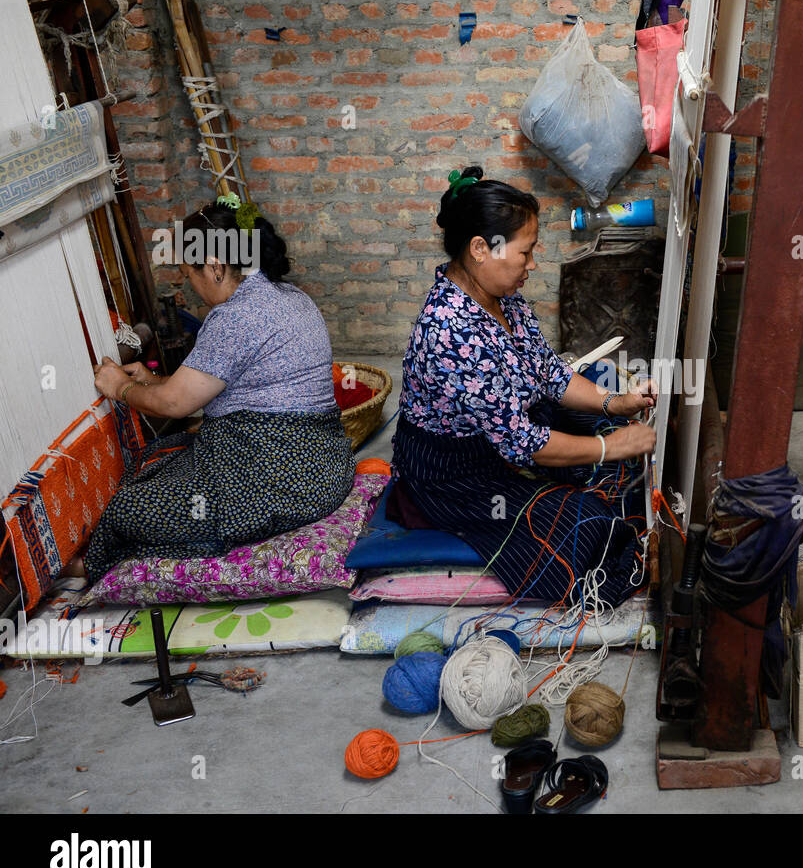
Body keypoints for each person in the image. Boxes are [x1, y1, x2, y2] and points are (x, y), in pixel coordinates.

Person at [391, 166, 656, 607]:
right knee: (587, 525)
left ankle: (590, 455)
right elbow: (522, 442)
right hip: (454, 473)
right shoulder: (450, 331)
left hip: (504, 435)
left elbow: (548, 372)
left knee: (591, 407)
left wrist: (616, 403)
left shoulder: (503, 298)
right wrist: (613, 447)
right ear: (481, 249)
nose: (532, 265)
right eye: (525, 252)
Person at [79, 196, 354, 583]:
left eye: (190, 275)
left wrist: (121, 387)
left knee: (128, 509)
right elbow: (206, 386)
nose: (191, 287)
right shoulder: (292, 297)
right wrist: (149, 381)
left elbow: (174, 404)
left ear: (214, 265)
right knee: (158, 461)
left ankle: (100, 563)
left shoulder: (235, 317)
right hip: (322, 468)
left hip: (279, 480)